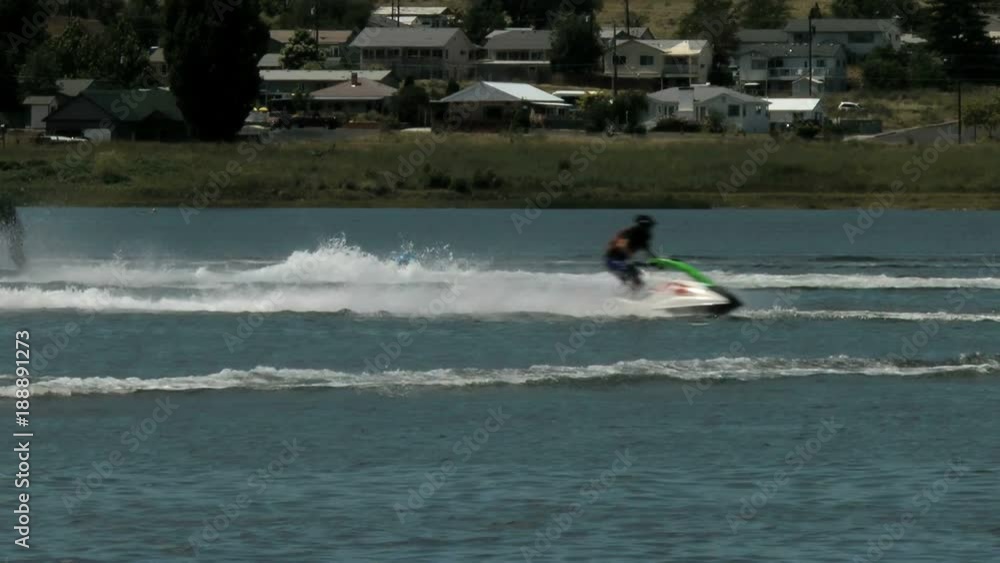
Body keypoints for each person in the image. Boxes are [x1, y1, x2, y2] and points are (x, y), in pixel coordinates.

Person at [604, 215, 658, 290]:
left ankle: (636, 295)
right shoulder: (629, 232)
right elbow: (622, 245)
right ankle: (638, 293)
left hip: (622, 262)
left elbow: (647, 252)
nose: (648, 229)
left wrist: (657, 261)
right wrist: (631, 258)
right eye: (646, 226)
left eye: (649, 227)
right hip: (612, 261)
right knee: (632, 273)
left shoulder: (645, 236)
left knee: (636, 276)